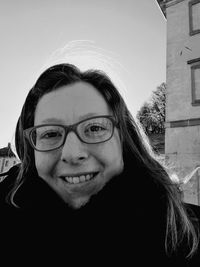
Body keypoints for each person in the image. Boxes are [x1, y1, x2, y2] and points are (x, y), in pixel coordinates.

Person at [0, 63, 200, 266]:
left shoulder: (189, 235)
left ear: (123, 139)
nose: (73, 154)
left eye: (95, 127)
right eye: (50, 133)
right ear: (30, 150)